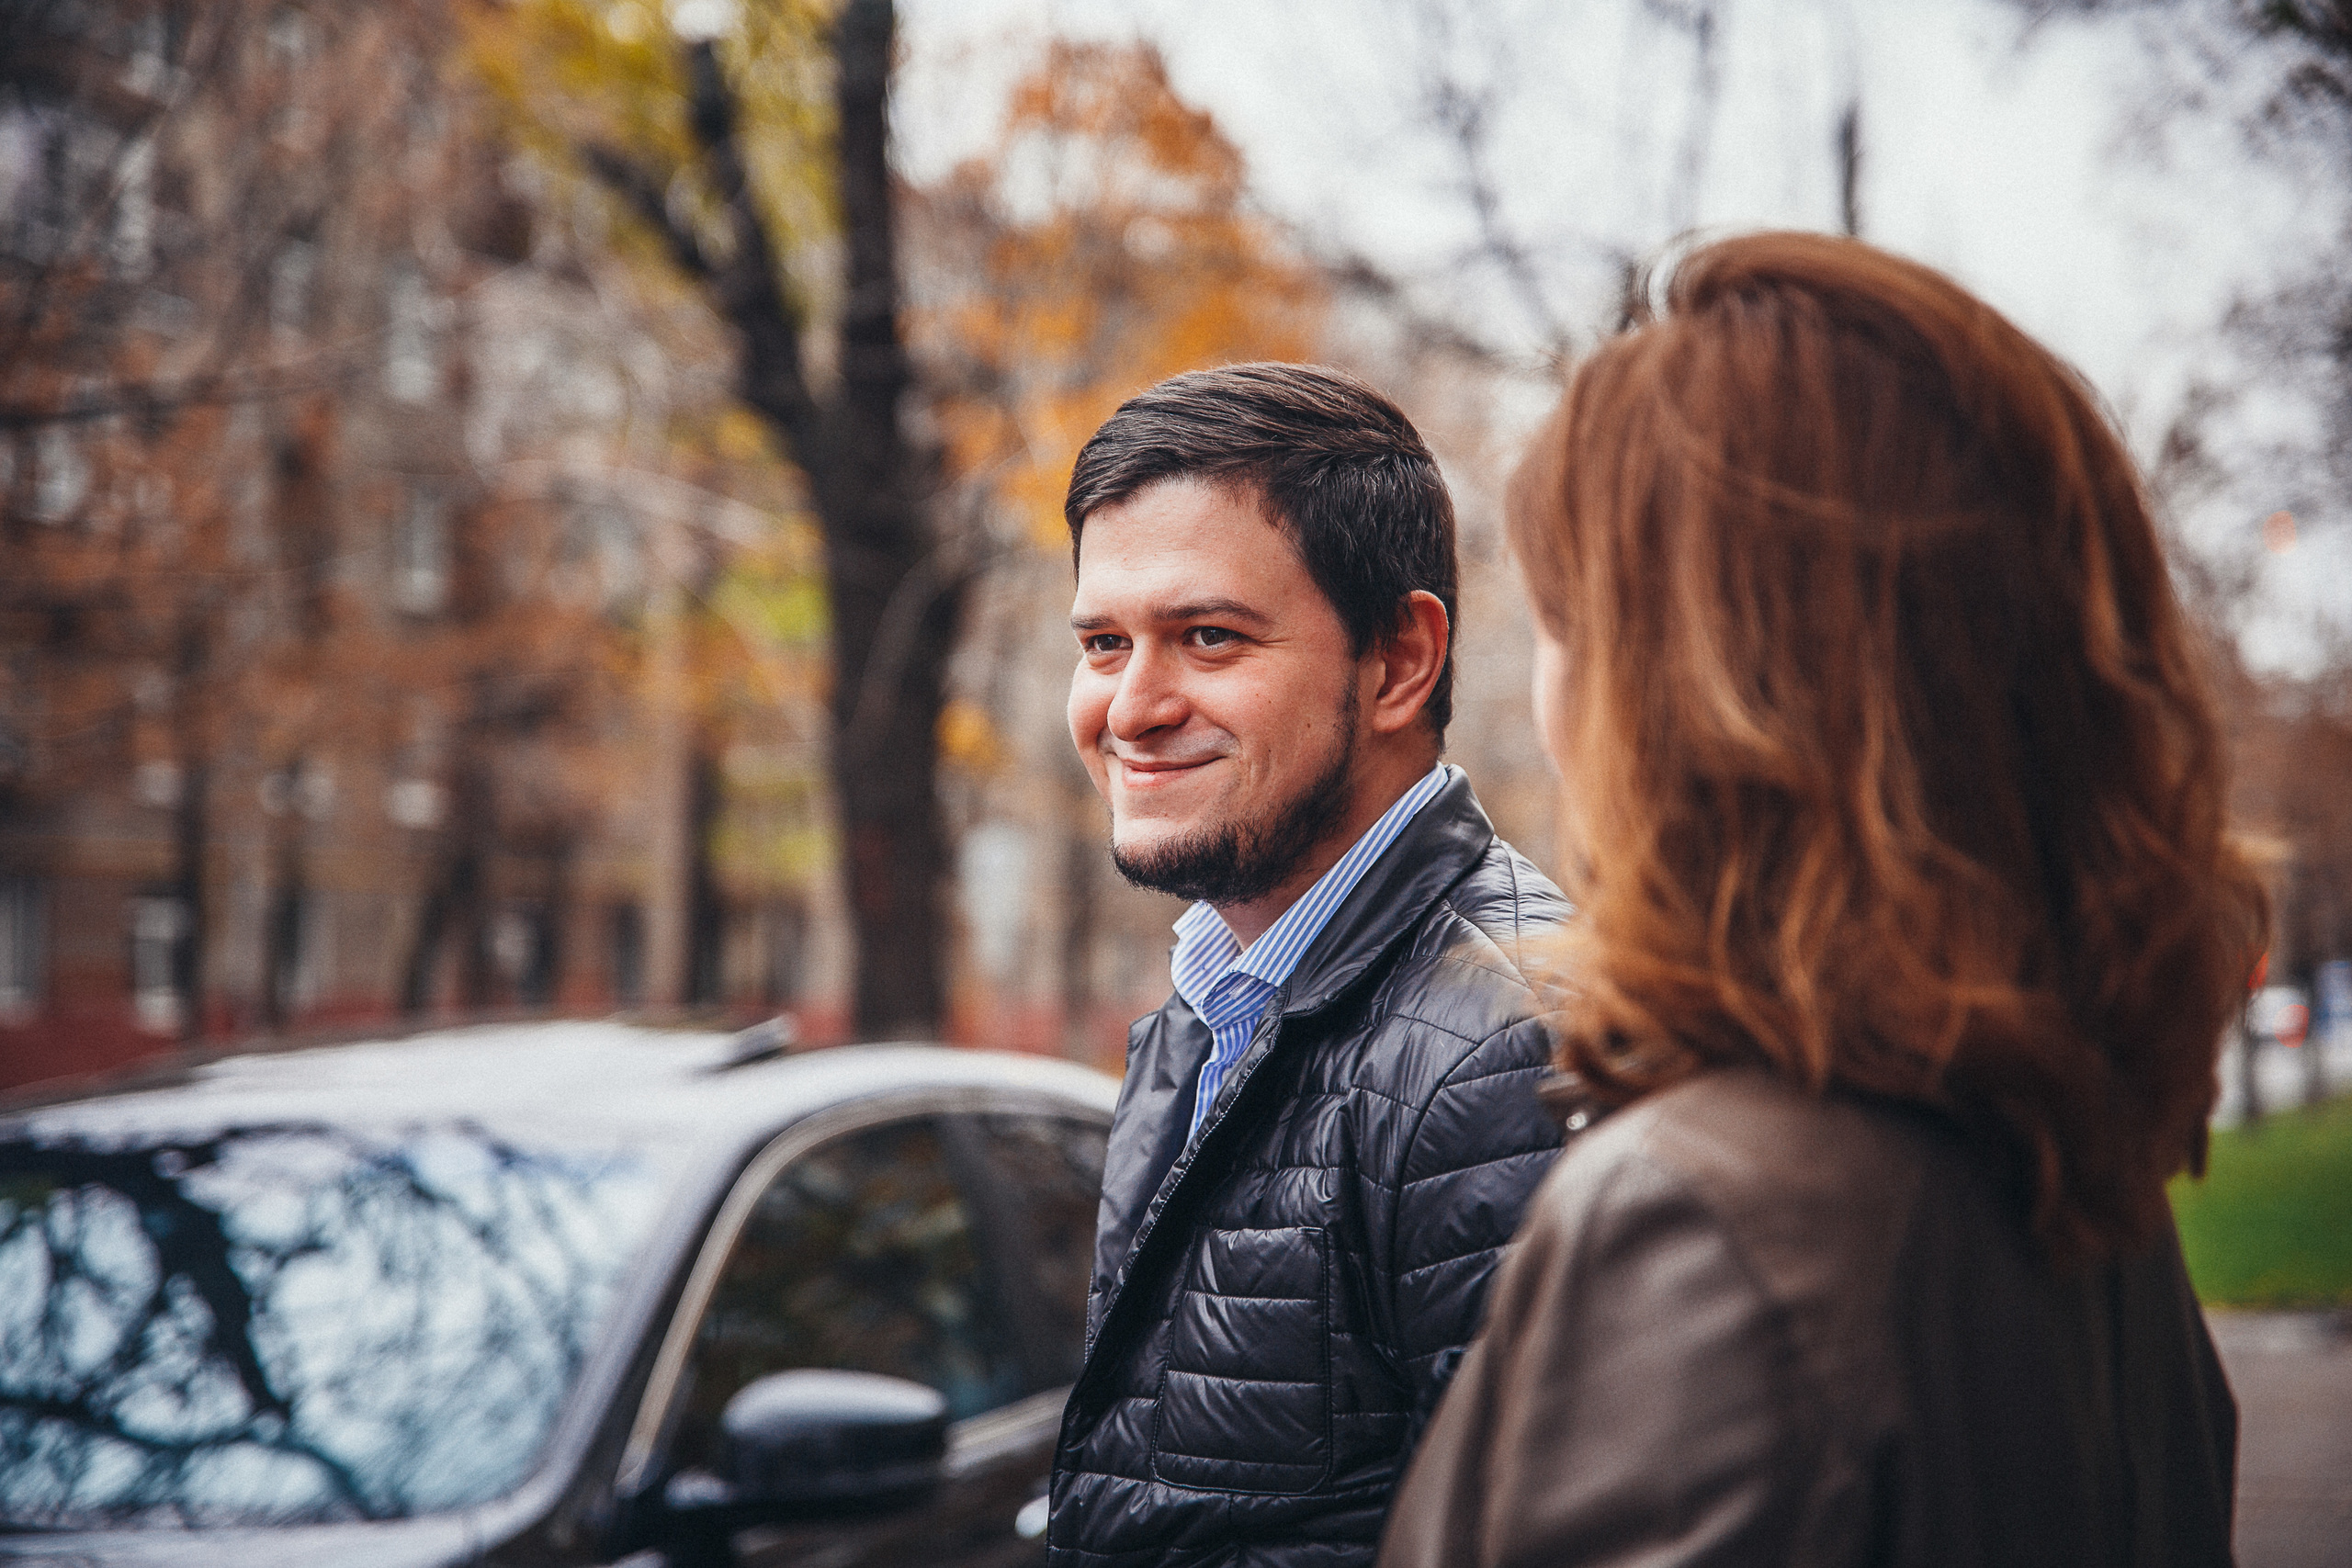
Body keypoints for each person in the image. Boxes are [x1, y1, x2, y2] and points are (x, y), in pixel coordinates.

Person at [1381, 232, 2265, 1568]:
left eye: (1567, 633)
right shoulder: (2089, 1191)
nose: (1554, 717)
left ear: (1706, 703)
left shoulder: (1703, 1225)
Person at [1046, 363, 1568, 1566]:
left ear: (1397, 662)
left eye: (1208, 637)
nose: (1130, 708)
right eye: (1104, 643)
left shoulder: (1503, 1052)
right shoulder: (1216, 1002)